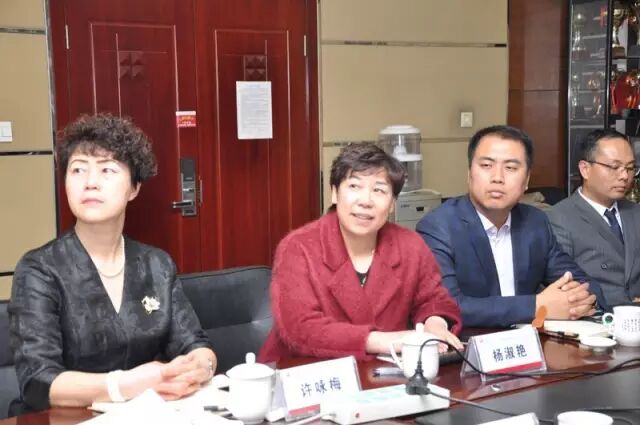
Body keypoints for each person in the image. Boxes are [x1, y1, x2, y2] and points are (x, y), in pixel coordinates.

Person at [8, 114, 216, 413]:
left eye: (107, 169)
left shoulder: (157, 264)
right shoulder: (39, 270)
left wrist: (202, 366)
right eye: (78, 170)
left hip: (147, 414)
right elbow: (38, 381)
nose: (90, 183)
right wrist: (125, 385)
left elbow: (195, 344)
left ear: (134, 188)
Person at [258, 143, 462, 362]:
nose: (365, 201)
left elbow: (433, 299)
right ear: (334, 193)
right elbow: (301, 328)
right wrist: (384, 341)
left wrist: (435, 323)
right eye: (354, 186)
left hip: (381, 374)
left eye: (379, 190)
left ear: (392, 204)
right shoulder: (298, 247)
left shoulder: (410, 245)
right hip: (300, 371)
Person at [416, 125, 607, 328]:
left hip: (533, 341)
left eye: (511, 168)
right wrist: (537, 306)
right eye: (486, 165)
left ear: (526, 181)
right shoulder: (438, 226)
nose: (497, 177)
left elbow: (585, 285)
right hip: (470, 343)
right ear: (469, 173)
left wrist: (580, 301)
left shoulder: (535, 222)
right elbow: (446, 306)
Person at [548, 129, 640, 306]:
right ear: (585, 169)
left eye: (630, 168)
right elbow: (565, 288)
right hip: (596, 316)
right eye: (614, 167)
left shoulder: (635, 212)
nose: (624, 176)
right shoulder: (559, 219)